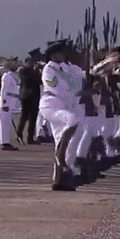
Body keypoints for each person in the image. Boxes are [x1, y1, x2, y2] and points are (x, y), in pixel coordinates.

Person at [39, 40, 80, 190]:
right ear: (54, 54)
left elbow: (77, 80)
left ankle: (59, 179)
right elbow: (56, 88)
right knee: (73, 120)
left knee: (60, 138)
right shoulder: (49, 69)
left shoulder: (64, 68)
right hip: (50, 103)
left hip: (61, 104)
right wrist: (73, 92)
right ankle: (62, 161)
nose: (64, 55)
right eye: (61, 52)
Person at [16, 49, 42, 145]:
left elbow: (40, 81)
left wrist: (38, 73)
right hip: (26, 95)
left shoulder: (36, 69)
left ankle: (30, 137)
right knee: (24, 116)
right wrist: (35, 73)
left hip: (34, 96)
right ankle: (19, 134)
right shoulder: (24, 69)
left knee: (33, 117)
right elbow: (26, 81)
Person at [0, 57, 20, 150]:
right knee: (4, 123)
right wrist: (4, 103)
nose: (15, 64)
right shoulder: (6, 76)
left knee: (9, 122)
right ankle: (4, 142)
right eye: (13, 63)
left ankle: (7, 141)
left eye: (16, 62)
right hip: (7, 101)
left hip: (13, 101)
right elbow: (3, 91)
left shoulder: (15, 76)